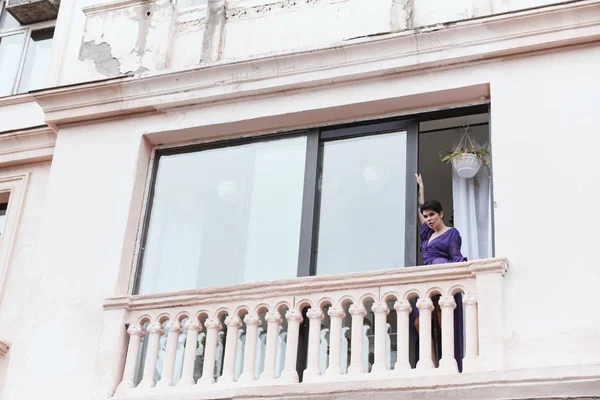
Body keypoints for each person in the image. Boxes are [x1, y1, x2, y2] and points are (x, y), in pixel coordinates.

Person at [415, 173, 467, 265]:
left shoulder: (451, 233)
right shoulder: (428, 233)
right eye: (426, 217)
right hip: (428, 273)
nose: (428, 219)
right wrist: (421, 187)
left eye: (432, 214)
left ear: (441, 214)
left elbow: (456, 257)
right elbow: (420, 207)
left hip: (442, 270)